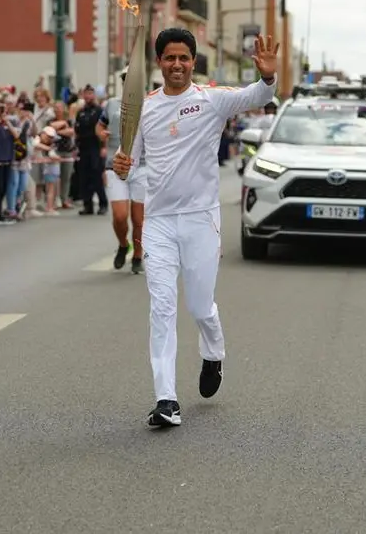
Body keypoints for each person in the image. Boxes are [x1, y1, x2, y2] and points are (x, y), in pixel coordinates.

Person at [113, 28, 279, 427]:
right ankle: (166, 398)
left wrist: (269, 78)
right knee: (162, 307)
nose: (176, 64)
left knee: (200, 306)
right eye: (169, 58)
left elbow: (257, 96)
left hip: (201, 219)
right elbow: (127, 160)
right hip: (159, 223)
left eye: (183, 58)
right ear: (159, 62)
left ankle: (213, 353)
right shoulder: (143, 109)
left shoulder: (211, 100)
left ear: (193, 61)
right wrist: (120, 165)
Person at [96, 66, 147, 273]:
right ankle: (123, 244)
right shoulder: (111, 104)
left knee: (138, 219)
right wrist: (101, 134)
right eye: (126, 78)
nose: (129, 82)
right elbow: (99, 126)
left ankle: (137, 254)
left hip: (143, 166)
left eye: (133, 79)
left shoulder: (151, 103)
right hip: (114, 164)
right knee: (119, 215)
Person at [75, 85, 108, 215]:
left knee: (96, 176)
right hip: (83, 148)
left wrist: (104, 147)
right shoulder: (81, 112)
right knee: (84, 177)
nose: (88, 96)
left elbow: (104, 129)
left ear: (93, 95)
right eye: (86, 94)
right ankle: (87, 205)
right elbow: (77, 130)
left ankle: (103, 204)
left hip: (95, 147)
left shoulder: (100, 111)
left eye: (90, 93)